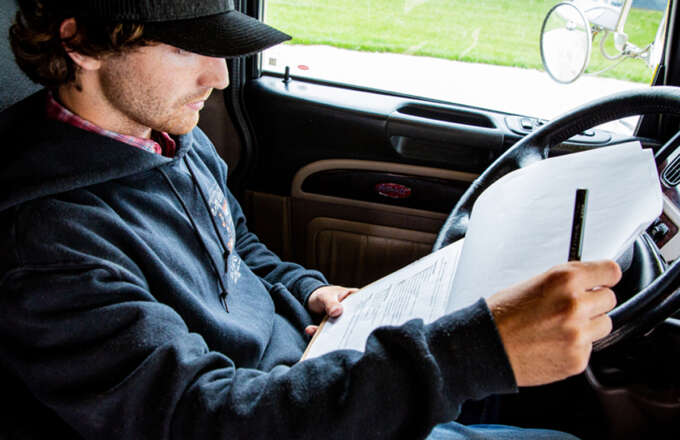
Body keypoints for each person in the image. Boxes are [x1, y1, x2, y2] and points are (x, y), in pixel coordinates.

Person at [0, 1, 621, 439]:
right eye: (184, 47)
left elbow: (234, 246)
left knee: (554, 386)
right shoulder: (48, 241)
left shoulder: (164, 135)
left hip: (306, 363)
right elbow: (198, 418)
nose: (217, 76)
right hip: (269, 411)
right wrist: (470, 354)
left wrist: (307, 290)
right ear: (80, 42)